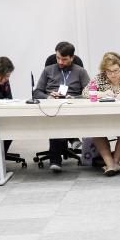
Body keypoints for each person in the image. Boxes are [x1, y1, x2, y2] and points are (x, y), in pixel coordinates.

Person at [32, 42, 91, 173]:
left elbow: (90, 93)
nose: (60, 61)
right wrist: (48, 97)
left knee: (57, 119)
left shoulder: (80, 72)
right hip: (52, 106)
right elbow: (37, 92)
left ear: (72, 57)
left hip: (72, 106)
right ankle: (69, 142)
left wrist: (74, 98)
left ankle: (56, 158)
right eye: (58, 58)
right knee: (55, 118)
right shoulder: (48, 70)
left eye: (64, 59)